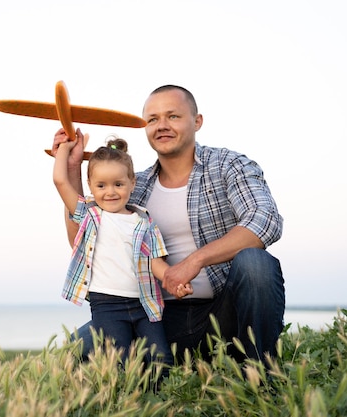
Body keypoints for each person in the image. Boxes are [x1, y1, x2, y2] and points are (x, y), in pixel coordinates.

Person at [52, 85, 285, 365]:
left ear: (197, 121)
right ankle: (172, 362)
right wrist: (72, 167)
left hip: (224, 310)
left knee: (255, 263)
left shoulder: (228, 165)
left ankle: (259, 368)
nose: (161, 126)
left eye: (173, 116)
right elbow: (85, 239)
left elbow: (264, 220)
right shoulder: (133, 188)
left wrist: (195, 261)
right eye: (152, 119)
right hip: (156, 314)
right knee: (74, 354)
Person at [53, 135, 193, 367]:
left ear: (132, 183)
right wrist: (64, 152)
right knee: (120, 359)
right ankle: (125, 400)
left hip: (143, 303)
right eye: (101, 185)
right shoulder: (91, 215)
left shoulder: (144, 222)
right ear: (90, 186)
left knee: (161, 359)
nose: (110, 192)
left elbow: (154, 262)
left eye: (118, 184)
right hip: (107, 304)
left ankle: (163, 400)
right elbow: (60, 181)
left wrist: (174, 282)